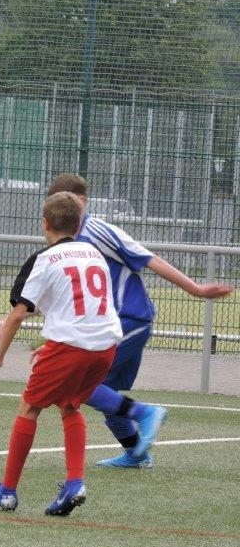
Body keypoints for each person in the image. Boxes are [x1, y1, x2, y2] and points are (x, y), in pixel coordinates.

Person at [45, 173, 234, 469]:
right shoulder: (66, 242)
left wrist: (196, 289)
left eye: (66, 201)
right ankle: (136, 454)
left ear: (82, 201)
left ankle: (145, 413)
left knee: (78, 385)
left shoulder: (98, 231)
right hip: (106, 326)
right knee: (107, 394)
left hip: (127, 321)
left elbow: (150, 259)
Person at [0, 191, 122, 516]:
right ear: (79, 224)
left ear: (45, 224)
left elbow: (18, 314)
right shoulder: (94, 253)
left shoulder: (45, 259)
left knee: (29, 407)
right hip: (105, 346)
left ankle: (7, 492)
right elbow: (86, 304)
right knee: (70, 404)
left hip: (72, 345)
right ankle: (74, 483)